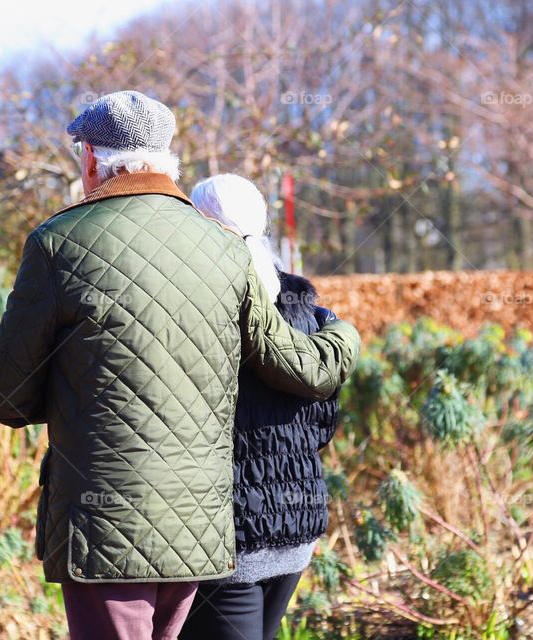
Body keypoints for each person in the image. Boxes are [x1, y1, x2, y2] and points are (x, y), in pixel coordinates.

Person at [0, 90, 361, 640]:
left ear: (90, 158)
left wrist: (69, 391)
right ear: (166, 159)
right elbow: (295, 365)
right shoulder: (226, 249)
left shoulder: (58, 243)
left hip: (104, 527)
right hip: (199, 528)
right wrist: (341, 333)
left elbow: (4, 397)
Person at [180, 174, 341, 640]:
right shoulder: (300, 302)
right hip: (297, 524)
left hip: (231, 537)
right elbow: (324, 418)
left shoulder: (202, 306)